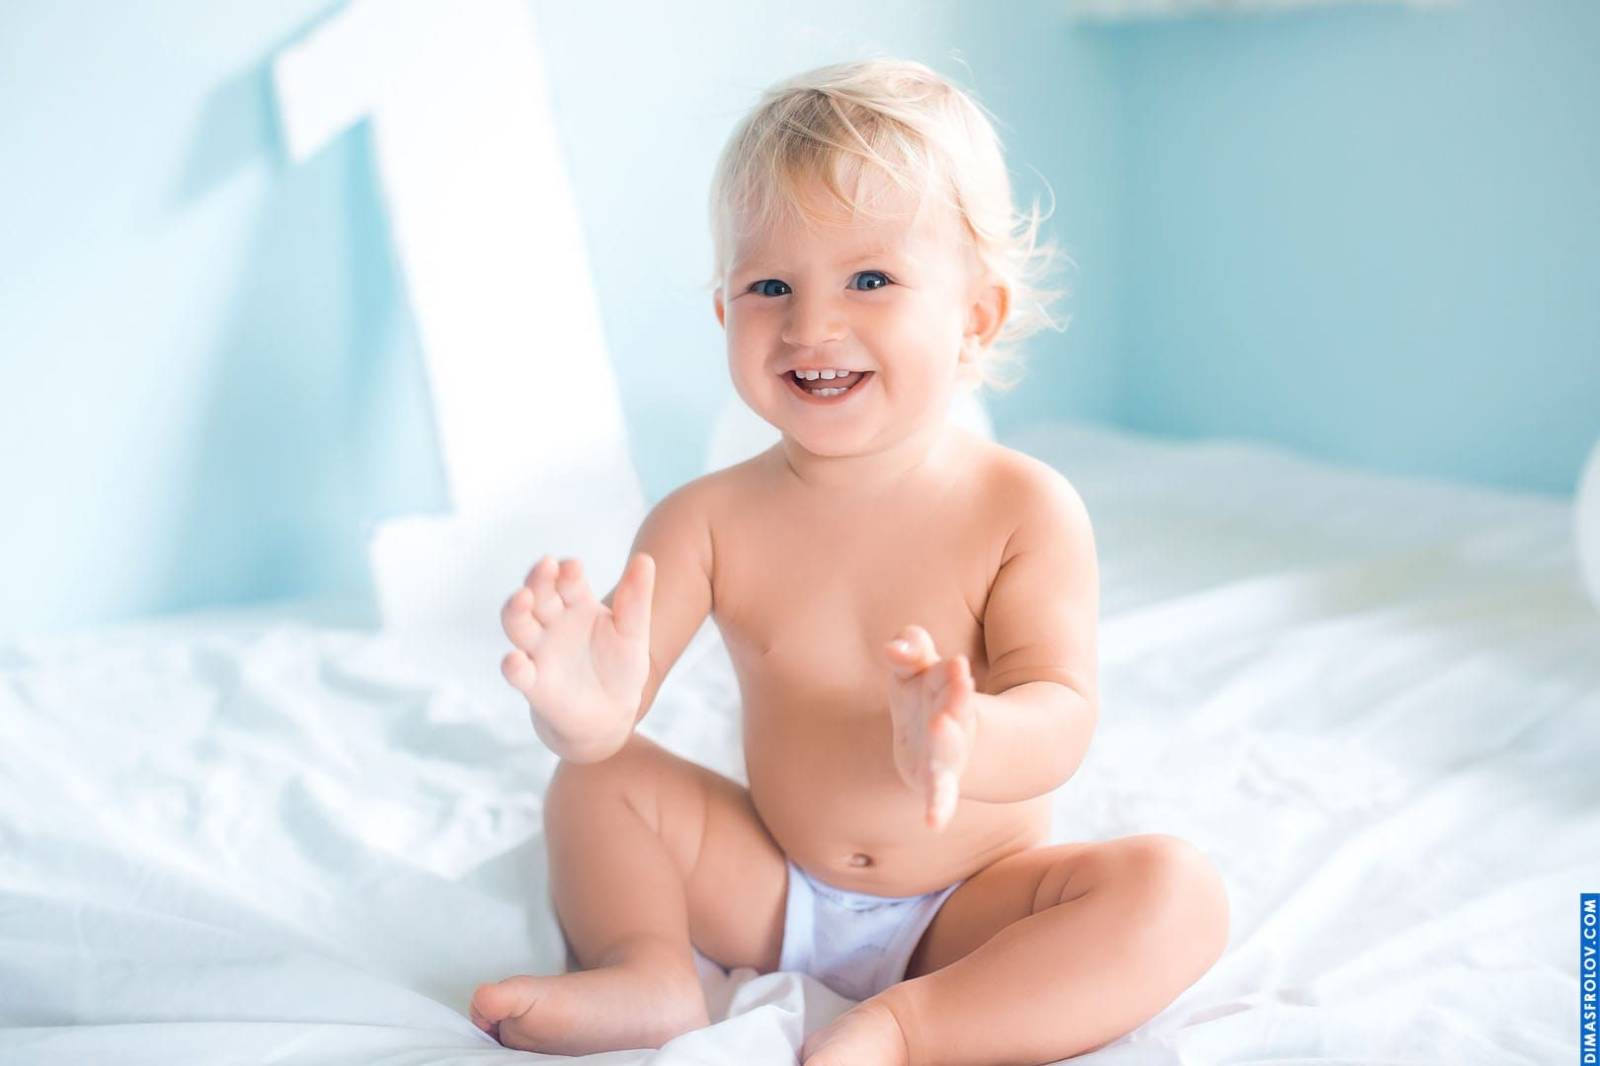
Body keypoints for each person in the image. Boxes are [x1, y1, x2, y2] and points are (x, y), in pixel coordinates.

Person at [471, 57, 1228, 1065]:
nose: (811, 324)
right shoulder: (704, 518)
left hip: (969, 907)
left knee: (1175, 894)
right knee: (596, 784)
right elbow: (614, 706)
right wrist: (580, 709)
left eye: (869, 278)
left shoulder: (1023, 509)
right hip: (772, 883)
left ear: (975, 317)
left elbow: (1062, 712)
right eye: (768, 284)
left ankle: (916, 1024)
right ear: (722, 313)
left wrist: (970, 736)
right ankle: (647, 971)